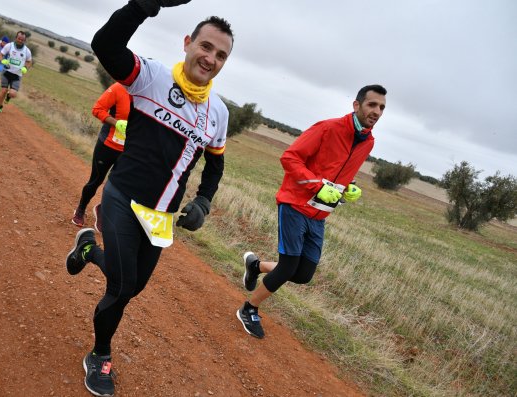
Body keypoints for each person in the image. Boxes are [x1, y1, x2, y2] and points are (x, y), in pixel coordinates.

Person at [65, 0, 233, 395]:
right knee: (121, 288)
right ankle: (100, 356)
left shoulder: (218, 113)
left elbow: (215, 166)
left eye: (221, 55)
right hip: (123, 196)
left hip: (162, 215)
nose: (211, 58)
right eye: (206, 47)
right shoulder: (151, 77)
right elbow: (105, 44)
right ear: (188, 42)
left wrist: (204, 201)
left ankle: (89, 250)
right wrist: (141, 5)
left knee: (134, 286)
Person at [236, 85, 387, 339]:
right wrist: (317, 185)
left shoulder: (367, 142)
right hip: (295, 204)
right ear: (356, 105)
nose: (377, 111)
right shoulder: (328, 128)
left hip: (319, 214)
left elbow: (339, 173)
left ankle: (256, 266)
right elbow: (290, 158)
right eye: (372, 105)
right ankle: (249, 309)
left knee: (303, 274)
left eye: (382, 107)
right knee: (287, 267)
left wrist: (350, 188)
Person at [71, 82, 131, 231]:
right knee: (96, 180)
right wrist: (116, 123)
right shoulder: (118, 88)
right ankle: (81, 209)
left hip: (129, 150)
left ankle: (102, 211)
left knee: (116, 186)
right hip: (108, 145)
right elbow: (97, 109)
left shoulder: (147, 96)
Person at [0, 31, 31, 113]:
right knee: (3, 90)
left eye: (22, 39)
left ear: (24, 40)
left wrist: (25, 67)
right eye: (19, 38)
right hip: (6, 72)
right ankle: (0, 106)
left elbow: (29, 61)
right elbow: (0, 55)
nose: (20, 40)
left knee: (13, 94)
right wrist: (3, 60)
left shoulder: (27, 51)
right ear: (16, 38)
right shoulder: (9, 46)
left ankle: (8, 97)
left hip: (17, 75)